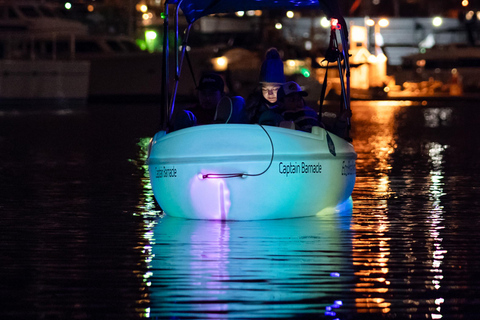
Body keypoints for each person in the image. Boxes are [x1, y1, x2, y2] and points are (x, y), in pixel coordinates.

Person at [170, 73, 246, 131]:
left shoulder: (230, 113)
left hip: (224, 143)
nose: (207, 98)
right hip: (197, 146)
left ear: (222, 95)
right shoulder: (191, 114)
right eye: (203, 93)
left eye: (212, 93)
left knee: (238, 101)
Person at [245, 47, 285, 126]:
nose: (270, 93)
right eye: (266, 89)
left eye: (275, 89)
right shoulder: (254, 107)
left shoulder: (289, 106)